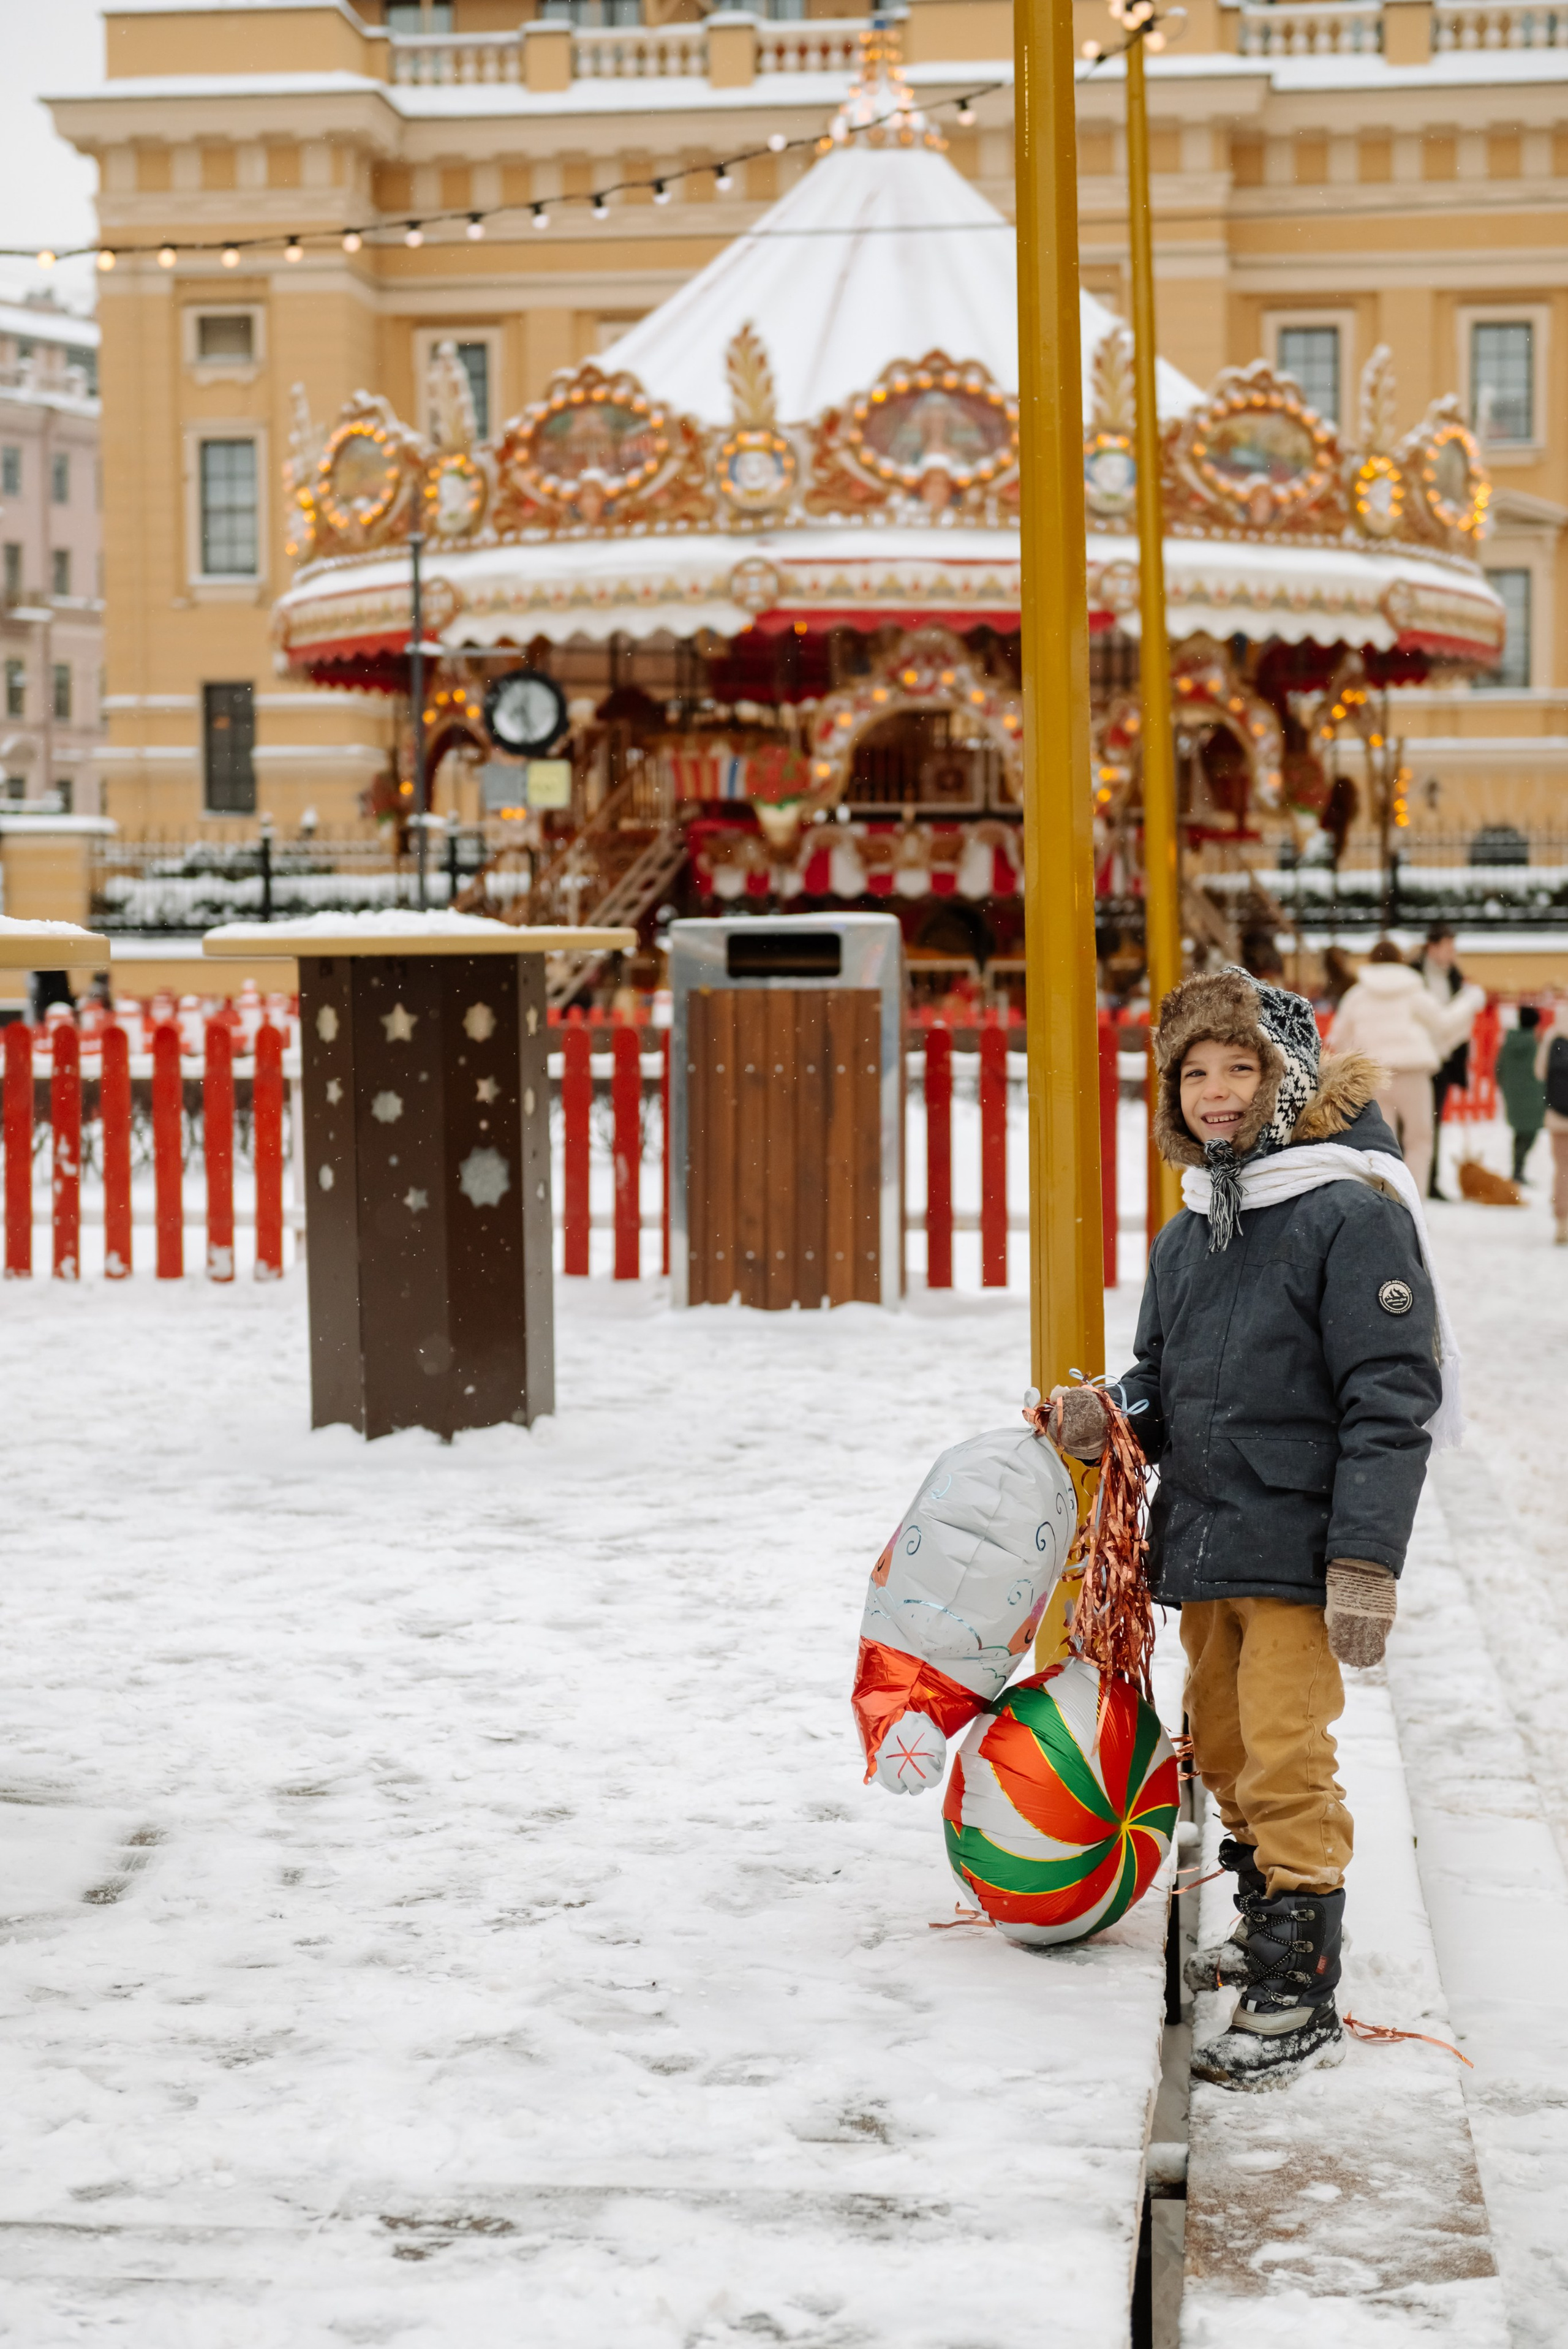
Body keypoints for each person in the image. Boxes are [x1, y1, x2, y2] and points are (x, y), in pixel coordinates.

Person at [1052, 967, 1449, 2092]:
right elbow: (1163, 1385)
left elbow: (1389, 1394)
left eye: (1240, 1069)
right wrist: (1109, 1417)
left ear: (1285, 1079)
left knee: (1283, 1749)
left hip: (1301, 1537)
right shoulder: (1194, 1234)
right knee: (1219, 1742)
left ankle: (1304, 1974)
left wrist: (1367, 1559)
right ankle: (1267, 1905)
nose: (1216, 1093)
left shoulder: (1347, 1214)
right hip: (1211, 1535)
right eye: (1195, 1072)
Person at [1326, 940, 1448, 1199]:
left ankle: (1387, 1202)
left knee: (1382, 1146)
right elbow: (1442, 1023)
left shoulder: (1358, 994)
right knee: (1420, 1141)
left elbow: (1337, 1038)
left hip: (1375, 1075)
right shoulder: (1414, 992)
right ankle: (1415, 1202)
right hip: (1413, 1072)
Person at [1416, 924, 1485, 1199]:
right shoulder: (1415, 975)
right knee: (1415, 1125)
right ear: (1432, 947)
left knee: (1434, 1122)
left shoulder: (1455, 977)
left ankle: (1430, 1180)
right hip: (1419, 1058)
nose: (1451, 954)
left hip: (1443, 1061)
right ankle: (1412, 1179)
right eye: (1448, 948)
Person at [1496, 1006, 1545, 1186]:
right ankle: (1519, 1170)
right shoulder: (1537, 1043)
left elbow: (1499, 1068)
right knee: (1530, 1133)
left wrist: (1506, 1086)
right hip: (1535, 1094)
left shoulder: (1508, 1042)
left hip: (1514, 1094)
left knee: (1519, 1132)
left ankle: (1517, 1170)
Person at [1533, 1001, 1568, 1245]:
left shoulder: (1554, 1031)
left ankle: (1563, 1224)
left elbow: (1539, 1071)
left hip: (1559, 1115)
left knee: (1563, 1170)